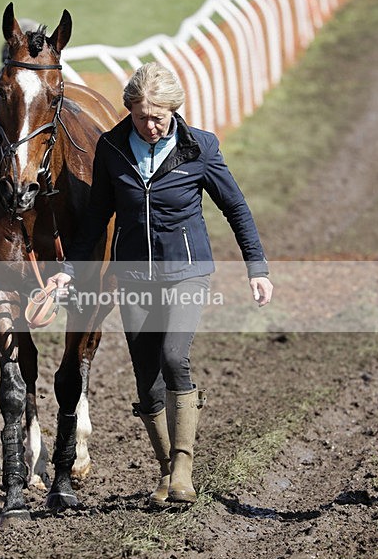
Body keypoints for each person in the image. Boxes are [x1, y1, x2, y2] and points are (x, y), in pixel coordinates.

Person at [48, 62, 273, 506]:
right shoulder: (112, 148)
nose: (149, 126)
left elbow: (236, 208)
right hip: (132, 275)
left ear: (174, 110)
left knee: (174, 356)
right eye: (140, 116)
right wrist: (68, 269)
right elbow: (96, 218)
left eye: (158, 117)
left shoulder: (200, 148)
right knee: (146, 379)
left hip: (187, 272)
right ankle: (166, 470)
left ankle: (184, 471)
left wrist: (257, 267)